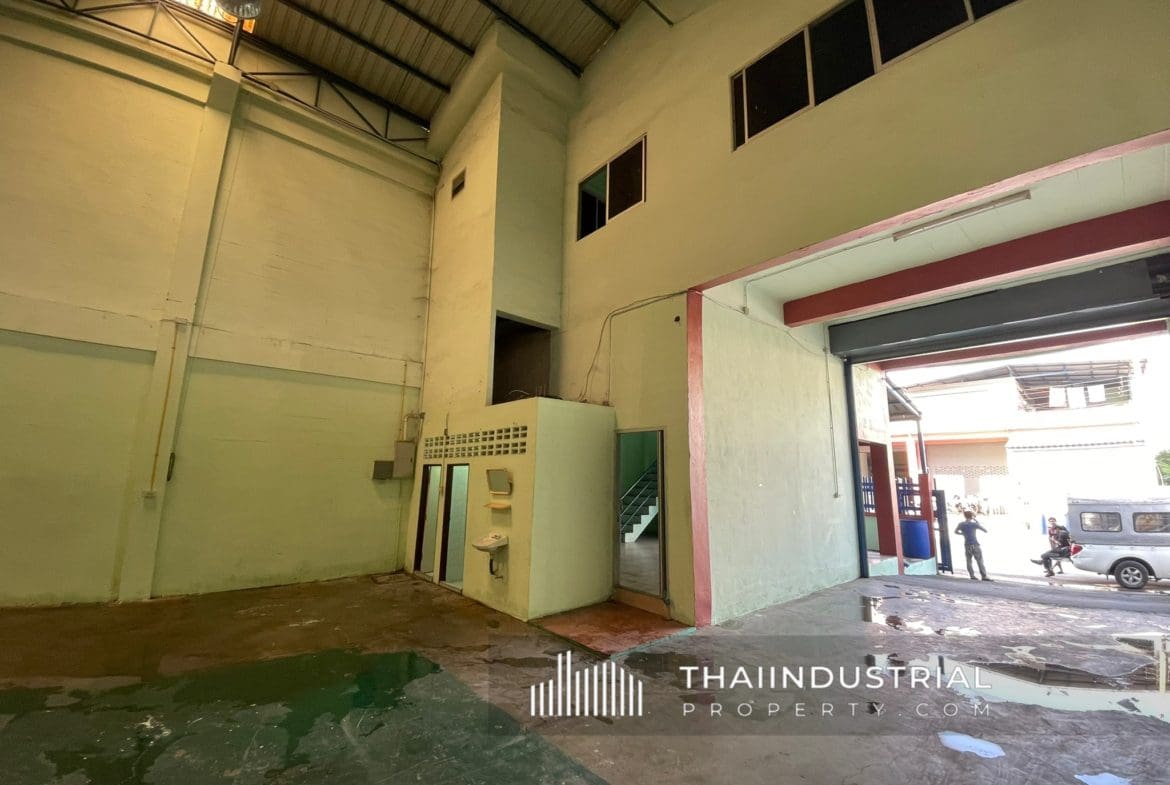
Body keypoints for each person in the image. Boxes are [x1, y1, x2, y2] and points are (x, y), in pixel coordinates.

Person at [955, 510, 992, 581]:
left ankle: (972, 575)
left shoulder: (961, 524)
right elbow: (985, 530)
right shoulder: (974, 524)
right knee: (979, 560)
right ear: (971, 516)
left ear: (964, 516)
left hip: (967, 544)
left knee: (969, 561)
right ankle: (984, 576)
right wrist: (976, 521)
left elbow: (955, 532)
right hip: (975, 544)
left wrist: (962, 534)